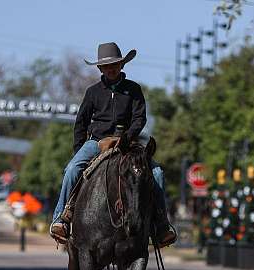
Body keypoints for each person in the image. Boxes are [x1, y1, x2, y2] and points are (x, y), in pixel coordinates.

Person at [50, 42, 176, 247]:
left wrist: (126, 137)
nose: (111, 68)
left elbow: (139, 118)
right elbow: (81, 122)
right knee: (72, 169)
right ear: (100, 68)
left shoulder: (133, 90)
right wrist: (78, 150)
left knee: (157, 173)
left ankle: (161, 225)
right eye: (106, 66)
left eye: (115, 64)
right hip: (97, 142)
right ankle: (61, 219)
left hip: (128, 142)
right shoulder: (92, 92)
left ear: (122, 65)